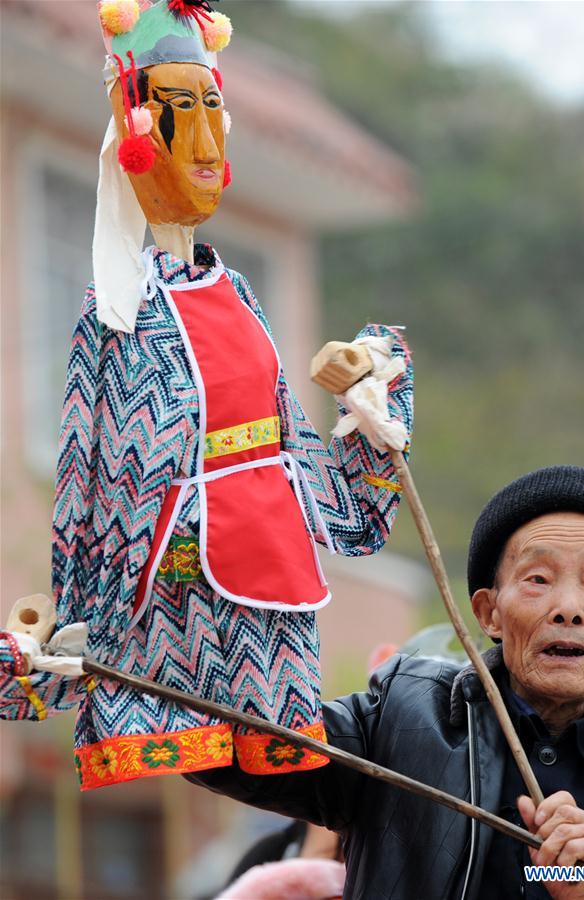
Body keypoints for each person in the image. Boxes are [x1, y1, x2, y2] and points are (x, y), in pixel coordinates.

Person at [0, 0, 412, 790]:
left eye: (213, 109)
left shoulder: (240, 290)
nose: (205, 138)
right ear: (135, 137)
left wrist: (369, 403)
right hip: (170, 570)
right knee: (193, 746)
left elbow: (289, 432)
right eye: (178, 111)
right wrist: (72, 595)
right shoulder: (115, 310)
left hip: (270, 546)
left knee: (293, 768)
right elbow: (88, 465)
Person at [187, 465, 584, 899]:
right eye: (538, 579)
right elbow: (225, 745)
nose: (568, 608)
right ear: (488, 613)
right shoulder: (399, 716)